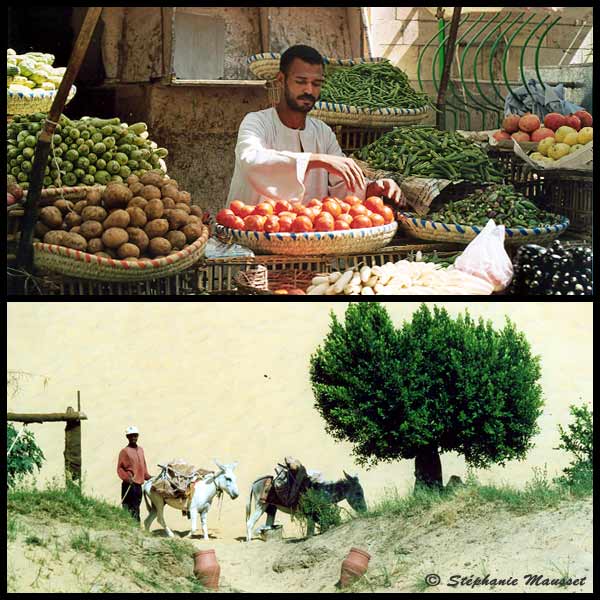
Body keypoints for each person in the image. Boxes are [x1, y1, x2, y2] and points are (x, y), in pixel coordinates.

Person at [227, 44, 407, 207]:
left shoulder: (322, 132)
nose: (309, 90)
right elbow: (251, 161)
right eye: (301, 81)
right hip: (252, 232)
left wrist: (373, 189)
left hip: (309, 235)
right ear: (281, 80)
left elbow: (341, 186)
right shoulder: (256, 122)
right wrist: (318, 160)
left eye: (316, 84)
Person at [117, 426, 152, 522]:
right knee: (129, 508)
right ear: (127, 437)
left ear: (138, 436)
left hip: (138, 486)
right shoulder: (124, 451)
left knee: (137, 507)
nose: (133, 438)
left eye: (135, 436)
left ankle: (136, 527)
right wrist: (127, 479)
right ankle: (132, 527)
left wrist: (148, 477)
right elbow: (120, 468)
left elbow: (143, 466)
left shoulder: (140, 450)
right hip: (129, 485)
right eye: (131, 436)